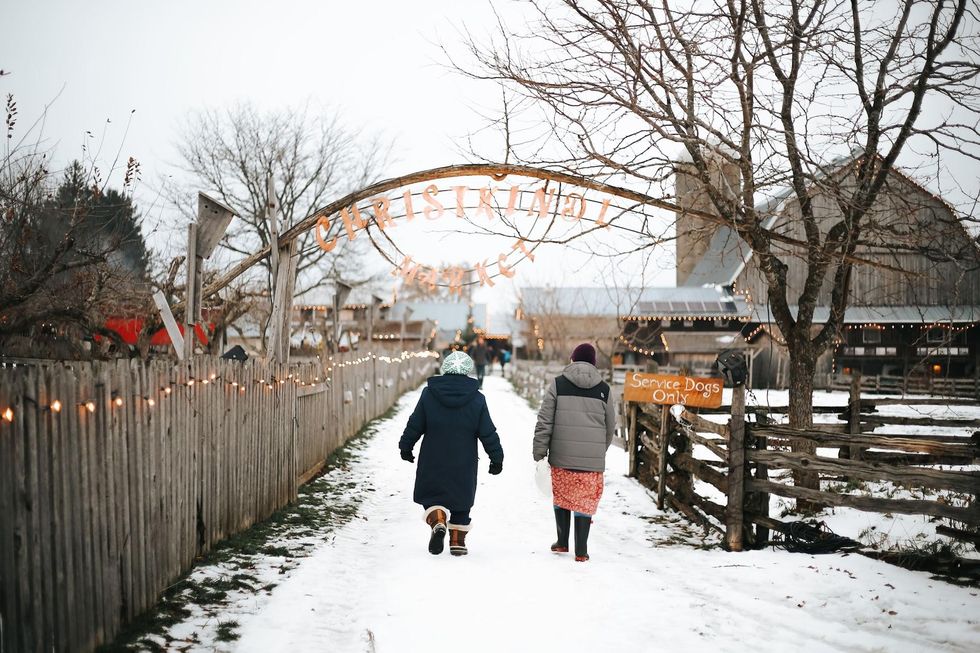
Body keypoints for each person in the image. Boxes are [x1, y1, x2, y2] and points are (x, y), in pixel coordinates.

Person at [399, 351, 504, 556]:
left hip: (432, 457)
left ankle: (438, 519)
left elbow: (415, 423)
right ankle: (457, 541)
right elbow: (488, 432)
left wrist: (406, 446)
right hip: (463, 461)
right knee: (461, 499)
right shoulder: (477, 399)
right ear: (467, 371)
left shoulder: (429, 394)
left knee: (431, 494)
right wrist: (496, 458)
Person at [532, 343, 615, 562]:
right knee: (584, 500)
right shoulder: (604, 389)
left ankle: (561, 542)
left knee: (562, 495)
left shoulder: (558, 384)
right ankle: (581, 551)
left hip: (562, 455)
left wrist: (539, 452)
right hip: (591, 460)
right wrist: (598, 451)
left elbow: (544, 421)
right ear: (594, 363)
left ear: (572, 360)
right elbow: (610, 428)